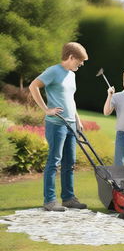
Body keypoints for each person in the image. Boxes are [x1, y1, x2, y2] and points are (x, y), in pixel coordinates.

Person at [29, 42, 88, 212]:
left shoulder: (71, 75)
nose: (81, 64)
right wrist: (46, 110)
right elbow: (33, 86)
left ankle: (68, 198)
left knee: (70, 162)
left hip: (70, 125)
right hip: (56, 125)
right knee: (54, 161)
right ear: (71, 57)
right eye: (80, 60)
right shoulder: (53, 71)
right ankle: (49, 200)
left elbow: (71, 99)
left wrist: (77, 119)